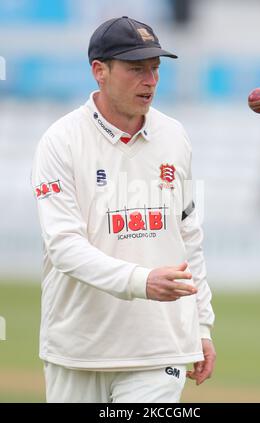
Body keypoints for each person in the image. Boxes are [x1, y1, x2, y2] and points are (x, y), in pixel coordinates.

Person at [31, 16, 216, 403]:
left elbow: (187, 236)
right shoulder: (61, 141)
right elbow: (64, 246)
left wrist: (201, 325)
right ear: (99, 71)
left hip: (159, 346)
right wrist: (140, 281)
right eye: (136, 69)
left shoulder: (174, 136)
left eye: (155, 68)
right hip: (78, 346)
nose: (150, 80)